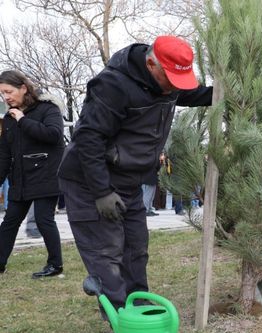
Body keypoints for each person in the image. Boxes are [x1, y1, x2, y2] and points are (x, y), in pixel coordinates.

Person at [57, 36, 213, 314]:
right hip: (89, 181)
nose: (175, 88)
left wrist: (231, 91)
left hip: (128, 180)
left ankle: (138, 304)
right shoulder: (113, 86)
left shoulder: (170, 83)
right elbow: (89, 139)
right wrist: (101, 192)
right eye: (171, 79)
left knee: (136, 248)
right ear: (151, 64)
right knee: (107, 251)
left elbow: (194, 94)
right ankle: (120, 316)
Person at [0, 70, 65, 276]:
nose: (6, 97)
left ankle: (55, 265)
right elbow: (4, 154)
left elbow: (54, 136)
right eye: (2, 93)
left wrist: (22, 119)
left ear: (23, 88)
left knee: (44, 219)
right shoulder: (8, 118)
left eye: (9, 91)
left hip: (46, 174)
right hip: (20, 178)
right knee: (10, 221)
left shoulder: (48, 109)